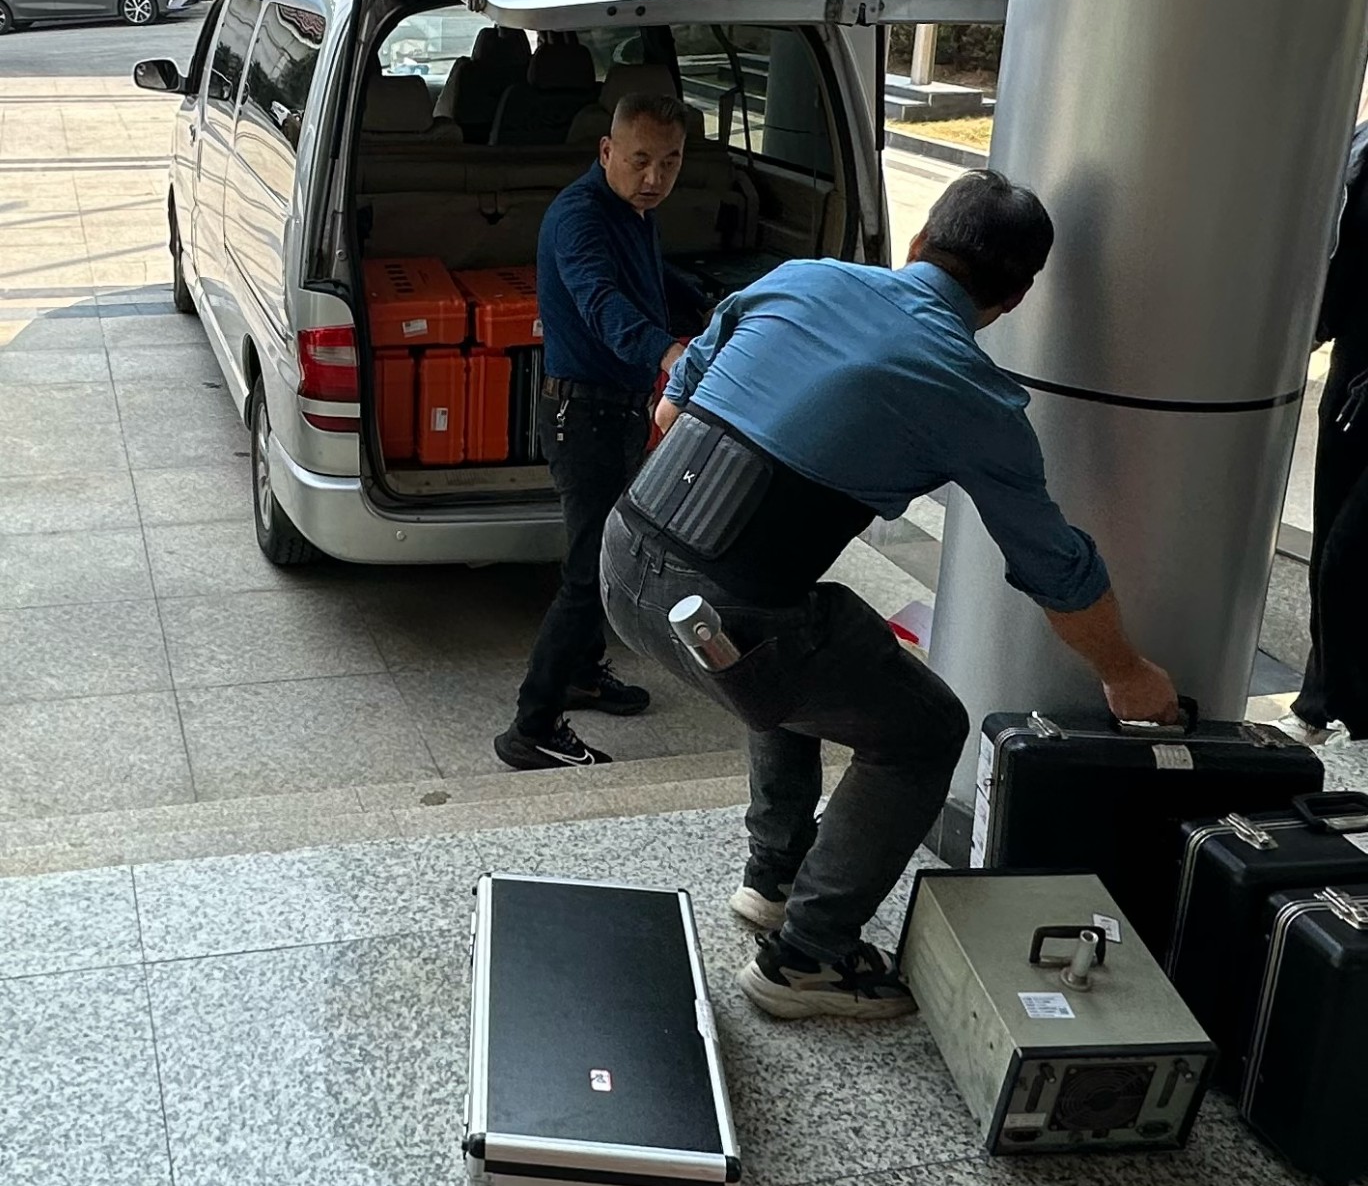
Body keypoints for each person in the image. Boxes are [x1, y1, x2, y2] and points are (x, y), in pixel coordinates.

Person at [600, 170, 1180, 1020]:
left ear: (918, 243)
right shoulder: (973, 394)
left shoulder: (799, 279)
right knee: (923, 729)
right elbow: (1056, 567)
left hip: (620, 562)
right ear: (1014, 299)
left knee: (799, 636)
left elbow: (670, 412)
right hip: (729, 618)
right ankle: (806, 959)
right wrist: (1126, 672)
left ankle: (776, 876)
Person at [495, 92, 707, 771]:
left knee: (606, 554)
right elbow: (600, 300)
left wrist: (713, 308)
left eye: (670, 162)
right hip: (581, 417)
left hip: (616, 411)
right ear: (607, 151)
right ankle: (531, 727)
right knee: (589, 573)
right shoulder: (580, 218)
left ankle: (584, 674)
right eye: (640, 160)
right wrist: (666, 352)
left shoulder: (632, 212)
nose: (654, 177)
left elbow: (650, 280)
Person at [1280, 122, 1368, 749]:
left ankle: (1352, 709)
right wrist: (1309, 327)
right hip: (1353, 372)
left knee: (1348, 553)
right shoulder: (1362, 143)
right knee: (1327, 544)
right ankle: (1320, 705)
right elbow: (1347, 253)